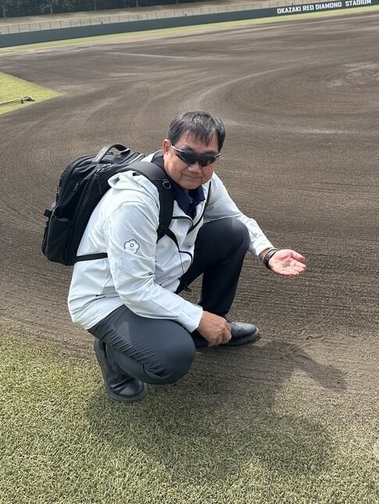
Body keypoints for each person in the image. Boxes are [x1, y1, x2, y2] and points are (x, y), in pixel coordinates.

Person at [68, 110, 306, 403]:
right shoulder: (134, 202)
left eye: (207, 159)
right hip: (109, 297)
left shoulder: (206, 181)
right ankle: (113, 354)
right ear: (167, 147)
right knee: (172, 358)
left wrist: (267, 252)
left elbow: (235, 217)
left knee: (232, 233)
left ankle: (216, 327)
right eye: (187, 155)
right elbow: (132, 288)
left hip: (158, 274)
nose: (196, 168)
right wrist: (196, 317)